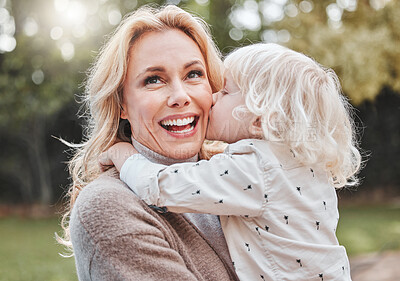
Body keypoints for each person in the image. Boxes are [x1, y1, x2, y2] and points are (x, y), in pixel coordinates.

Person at [102, 43, 362, 281]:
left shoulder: (253, 168)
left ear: (259, 121)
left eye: (226, 91)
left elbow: (158, 186)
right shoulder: (305, 165)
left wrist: (121, 152)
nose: (213, 97)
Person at [59, 5, 240, 281]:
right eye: (153, 80)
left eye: (193, 74)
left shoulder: (239, 171)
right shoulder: (108, 206)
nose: (180, 96)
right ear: (121, 104)